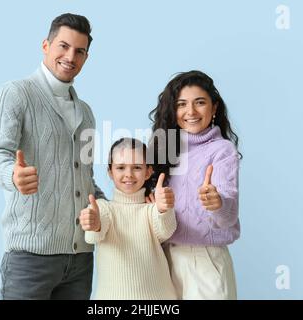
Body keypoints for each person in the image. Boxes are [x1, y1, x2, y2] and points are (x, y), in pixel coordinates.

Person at [0, 13, 105, 300]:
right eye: (63, 46)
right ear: (45, 45)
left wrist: (119, 210)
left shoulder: (86, 112)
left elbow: (85, 178)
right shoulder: (15, 93)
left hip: (81, 259)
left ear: (86, 57)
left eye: (79, 51)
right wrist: (13, 175)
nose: (70, 56)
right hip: (30, 258)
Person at [148, 70, 241, 300]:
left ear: (214, 108)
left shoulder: (222, 151)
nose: (190, 112)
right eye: (181, 104)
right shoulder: (163, 148)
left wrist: (217, 202)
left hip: (205, 262)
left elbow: (228, 216)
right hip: (164, 261)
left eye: (200, 102)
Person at [80, 138, 177, 299]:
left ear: (148, 172)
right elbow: (92, 235)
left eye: (137, 167)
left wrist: (163, 209)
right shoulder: (103, 208)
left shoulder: (152, 209)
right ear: (110, 172)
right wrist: (93, 224)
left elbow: (166, 230)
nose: (128, 174)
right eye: (120, 167)